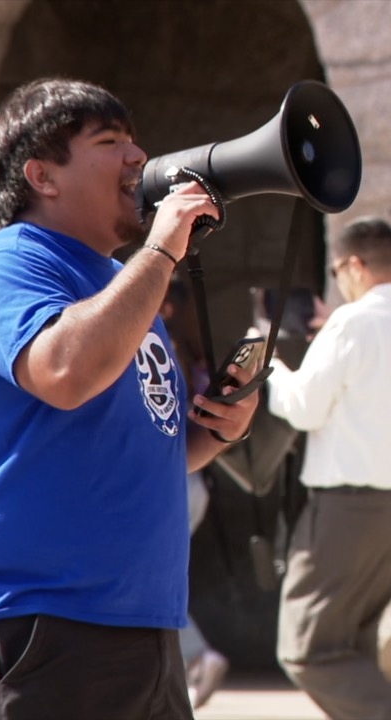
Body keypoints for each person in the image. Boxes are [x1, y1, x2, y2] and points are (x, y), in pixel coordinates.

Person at [0, 76, 259, 720]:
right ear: (42, 176)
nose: (139, 157)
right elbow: (66, 371)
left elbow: (150, 446)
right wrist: (163, 248)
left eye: (135, 141)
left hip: (139, 623)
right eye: (110, 142)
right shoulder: (7, 265)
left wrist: (214, 431)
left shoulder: (120, 282)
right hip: (37, 622)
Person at [263, 217, 391, 719]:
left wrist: (271, 367)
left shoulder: (351, 323)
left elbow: (302, 408)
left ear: (355, 265)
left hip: (344, 510)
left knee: (306, 647)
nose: (339, 284)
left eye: (338, 272)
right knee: (352, 645)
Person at [160, 278, 230, 710]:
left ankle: (198, 654)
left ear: (164, 308)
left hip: (174, 481)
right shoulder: (192, 356)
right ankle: (191, 659)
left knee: (147, 577)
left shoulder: (156, 350)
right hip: (192, 480)